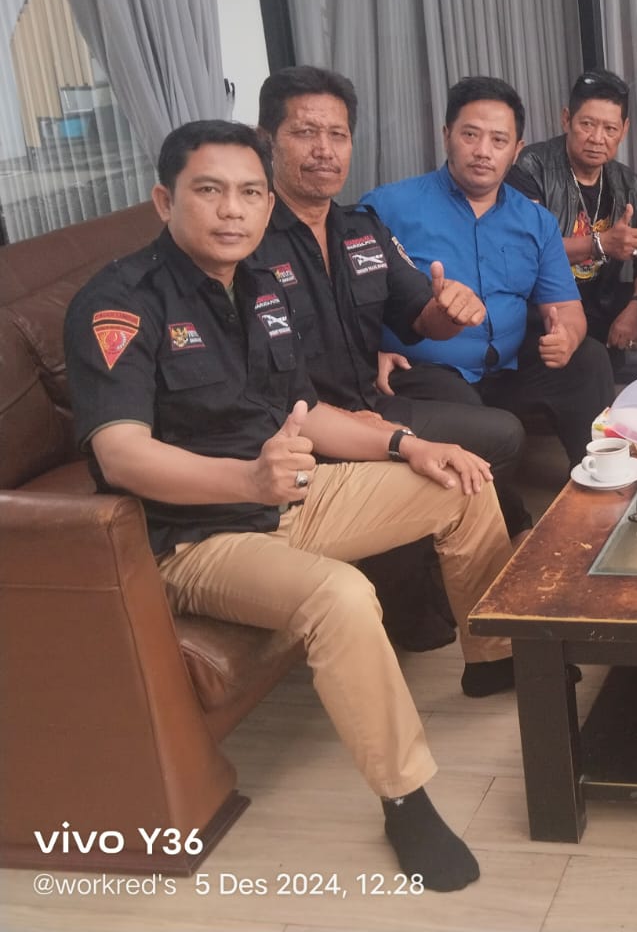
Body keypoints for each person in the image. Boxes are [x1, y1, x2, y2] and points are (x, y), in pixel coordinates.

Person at [64, 121, 519, 891]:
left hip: (293, 496)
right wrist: (247, 482)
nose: (232, 210)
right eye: (209, 191)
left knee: (461, 478)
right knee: (341, 596)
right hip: (194, 538)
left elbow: (305, 412)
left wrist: (408, 444)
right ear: (164, 200)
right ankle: (404, 797)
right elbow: (121, 454)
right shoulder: (119, 304)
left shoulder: (262, 286)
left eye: (249, 193)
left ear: (266, 203)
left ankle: (495, 660)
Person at [254, 66, 530, 651]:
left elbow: (420, 315)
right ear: (267, 139)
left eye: (338, 135)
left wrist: (450, 310)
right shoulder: (247, 246)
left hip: (371, 404)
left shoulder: (362, 229)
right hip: (306, 432)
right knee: (422, 629)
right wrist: (378, 432)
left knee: (498, 433)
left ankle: (456, 584)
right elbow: (273, 389)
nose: (325, 150)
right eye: (305, 133)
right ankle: (421, 591)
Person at [359, 76, 613, 468]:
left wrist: (567, 336)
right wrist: (366, 353)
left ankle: (599, 478)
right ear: (447, 135)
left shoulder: (536, 221)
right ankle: (498, 502)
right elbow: (342, 298)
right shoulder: (386, 207)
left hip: (508, 369)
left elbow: (567, 309)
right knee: (468, 413)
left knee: (589, 359)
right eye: (470, 135)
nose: (483, 151)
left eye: (498, 140)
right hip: (425, 371)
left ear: (516, 150)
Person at [505, 67, 637, 361]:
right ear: (566, 119)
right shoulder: (532, 169)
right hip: (543, 308)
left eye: (610, 129)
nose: (597, 138)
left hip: (600, 302)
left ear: (624, 129)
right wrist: (600, 244)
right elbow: (526, 251)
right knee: (592, 359)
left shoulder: (630, 186)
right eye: (587, 124)